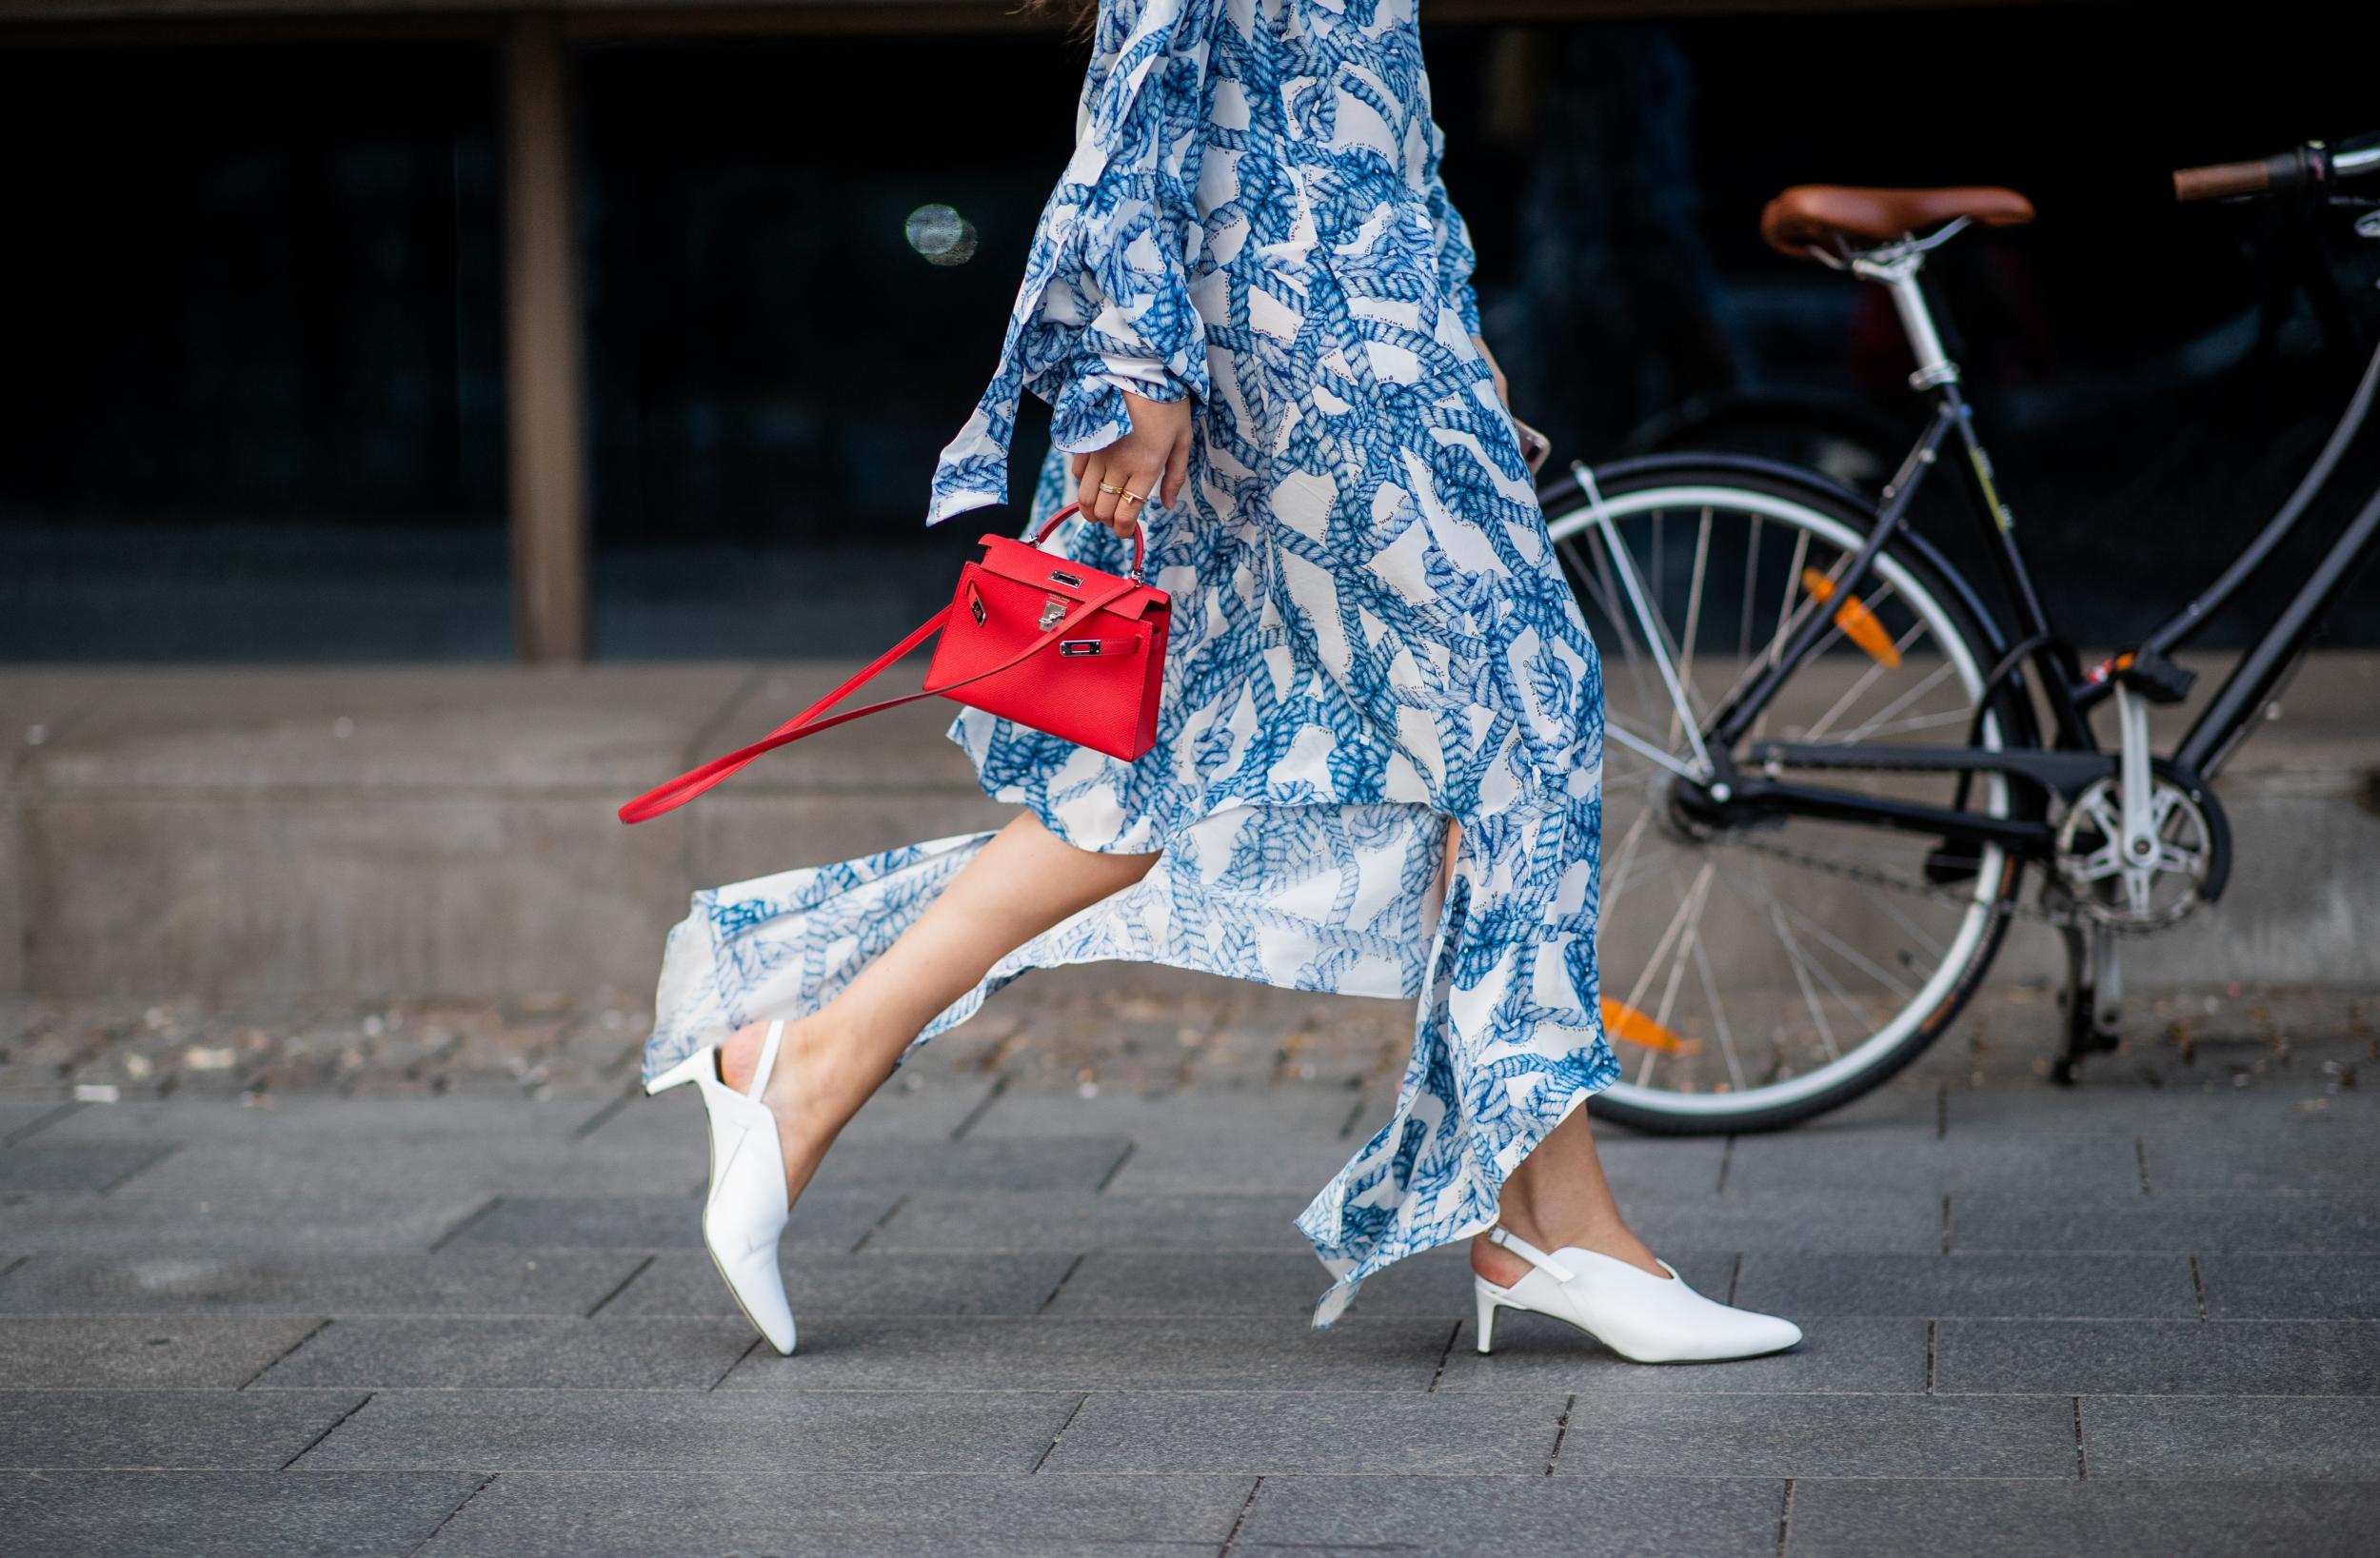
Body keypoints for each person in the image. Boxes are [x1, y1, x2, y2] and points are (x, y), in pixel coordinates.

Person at [643, 0, 1800, 1364]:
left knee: (1167, 772)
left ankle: (809, 1061)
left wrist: (1445, 318)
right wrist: (1134, 363)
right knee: (1523, 714)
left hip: (1360, 322)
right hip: (1306, 342)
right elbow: (1142, 69)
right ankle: (1556, 1227)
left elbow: (1375, 97)